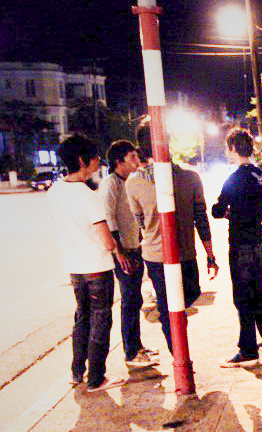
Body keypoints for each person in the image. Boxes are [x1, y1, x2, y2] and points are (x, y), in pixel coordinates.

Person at [125, 118, 218, 353]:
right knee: (174, 307)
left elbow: (139, 223)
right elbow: (201, 219)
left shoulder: (134, 182)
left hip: (161, 255)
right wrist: (209, 255)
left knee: (177, 304)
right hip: (173, 255)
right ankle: (179, 353)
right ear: (167, 143)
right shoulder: (189, 177)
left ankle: (174, 340)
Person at [47, 134, 127, 393]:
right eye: (93, 157)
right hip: (97, 267)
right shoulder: (88, 195)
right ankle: (96, 378)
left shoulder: (55, 191)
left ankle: (76, 371)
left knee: (82, 318)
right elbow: (106, 240)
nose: (97, 160)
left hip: (74, 268)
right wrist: (115, 247)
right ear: (82, 160)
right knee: (101, 320)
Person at [211, 127, 262, 367]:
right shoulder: (261, 174)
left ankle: (248, 349)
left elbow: (217, 210)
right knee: (261, 288)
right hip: (257, 241)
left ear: (232, 148)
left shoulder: (235, 178)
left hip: (240, 243)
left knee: (243, 294)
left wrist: (229, 212)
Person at [98, 139, 157, 370]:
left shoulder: (131, 181)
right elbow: (108, 218)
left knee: (135, 299)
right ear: (118, 161)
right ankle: (131, 352)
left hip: (135, 247)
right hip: (122, 252)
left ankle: (137, 346)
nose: (137, 160)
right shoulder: (110, 184)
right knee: (130, 301)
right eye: (131, 157)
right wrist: (119, 252)